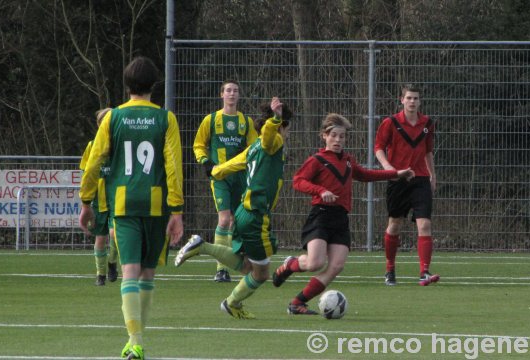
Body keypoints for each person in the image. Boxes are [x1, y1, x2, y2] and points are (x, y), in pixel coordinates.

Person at [79, 56, 184, 359]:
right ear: (154, 85)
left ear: (126, 86)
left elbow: (96, 160)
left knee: (129, 273)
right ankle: (139, 340)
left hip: (123, 203)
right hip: (156, 203)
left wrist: (86, 202)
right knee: (147, 275)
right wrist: (176, 210)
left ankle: (134, 341)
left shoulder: (113, 118)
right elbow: (173, 167)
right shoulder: (166, 118)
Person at [271, 113, 414, 314]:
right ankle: (290, 265)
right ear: (324, 136)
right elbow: (298, 181)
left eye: (342, 136)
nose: (338, 140)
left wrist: (395, 174)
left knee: (336, 266)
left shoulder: (348, 160)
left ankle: (297, 303)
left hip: (340, 219)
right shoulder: (317, 160)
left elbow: (364, 174)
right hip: (320, 215)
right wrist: (320, 190)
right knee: (315, 263)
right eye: (334, 136)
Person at [175, 97, 290, 319]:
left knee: (249, 267)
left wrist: (216, 172)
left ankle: (205, 251)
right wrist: (276, 119)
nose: (288, 134)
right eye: (288, 129)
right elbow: (268, 138)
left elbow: (232, 164)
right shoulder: (273, 141)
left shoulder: (253, 148)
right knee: (261, 273)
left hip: (245, 212)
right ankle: (230, 300)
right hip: (256, 214)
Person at [193, 79, 258, 283]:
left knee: (238, 221)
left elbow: (255, 147)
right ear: (221, 94)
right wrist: (205, 162)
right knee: (224, 219)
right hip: (220, 176)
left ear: (239, 95)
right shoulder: (211, 120)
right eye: (228, 90)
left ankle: (237, 261)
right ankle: (221, 269)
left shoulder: (246, 122)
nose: (231, 94)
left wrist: (249, 161)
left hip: (240, 177)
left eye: (235, 91)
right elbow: (198, 145)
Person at [375, 83, 439, 286]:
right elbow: (379, 148)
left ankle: (424, 272)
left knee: (425, 224)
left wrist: (432, 175)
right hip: (399, 180)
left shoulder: (427, 123)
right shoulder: (390, 122)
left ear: (420, 101)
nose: (412, 101)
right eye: (409, 98)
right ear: (401, 100)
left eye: (416, 98)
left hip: (420, 179)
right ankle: (390, 269)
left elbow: (428, 151)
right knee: (394, 225)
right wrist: (389, 169)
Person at [80, 107, 119, 286]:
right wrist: (86, 199)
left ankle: (112, 262)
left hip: (117, 198)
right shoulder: (92, 145)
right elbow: (86, 172)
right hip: (99, 200)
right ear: (99, 125)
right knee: (101, 238)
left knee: (115, 234)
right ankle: (100, 274)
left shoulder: (119, 145)